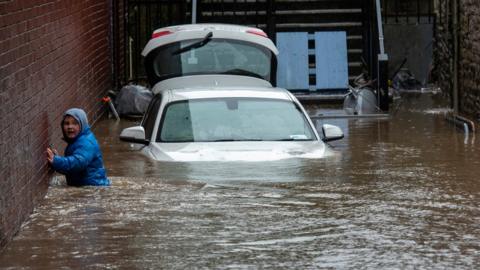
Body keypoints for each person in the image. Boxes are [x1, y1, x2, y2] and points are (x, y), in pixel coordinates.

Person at [46, 108, 110, 186]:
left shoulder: (86, 143)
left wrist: (56, 161)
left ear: (82, 124)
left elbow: (78, 163)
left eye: (75, 123)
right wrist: (57, 162)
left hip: (93, 188)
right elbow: (72, 170)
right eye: (66, 123)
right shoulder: (77, 141)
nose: (70, 126)